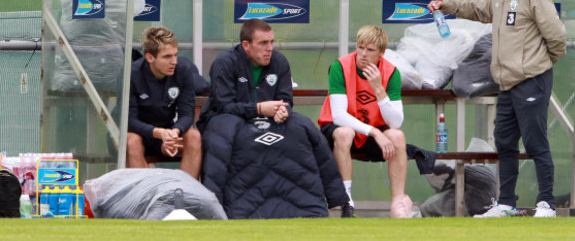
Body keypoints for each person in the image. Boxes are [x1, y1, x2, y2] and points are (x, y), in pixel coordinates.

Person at [427, 0, 567, 218]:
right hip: (506, 83)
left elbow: (557, 38)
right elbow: (477, 10)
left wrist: (538, 64)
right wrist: (447, 4)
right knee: (504, 143)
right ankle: (506, 204)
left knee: (536, 141)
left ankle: (547, 204)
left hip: (532, 80)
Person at [197, 19, 348, 219]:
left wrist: (282, 111)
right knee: (222, 135)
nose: (269, 48)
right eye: (263, 43)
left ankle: (337, 199)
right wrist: (258, 108)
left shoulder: (279, 61)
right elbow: (223, 105)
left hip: (271, 120)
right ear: (246, 45)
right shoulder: (224, 63)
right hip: (229, 118)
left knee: (305, 127)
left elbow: (286, 99)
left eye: (271, 42)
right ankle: (212, 205)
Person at [318, 25, 413, 218]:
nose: (363, 54)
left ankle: (398, 204)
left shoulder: (391, 72)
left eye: (370, 50)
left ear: (381, 53)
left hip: (371, 131)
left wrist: (379, 89)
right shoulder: (340, 66)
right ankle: (347, 202)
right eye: (360, 47)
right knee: (345, 133)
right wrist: (375, 132)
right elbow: (338, 115)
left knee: (397, 136)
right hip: (339, 131)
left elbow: (395, 122)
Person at [126, 26, 202, 179]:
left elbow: (186, 114)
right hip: (135, 132)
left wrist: (175, 132)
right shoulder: (131, 73)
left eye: (175, 55)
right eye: (167, 57)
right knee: (132, 141)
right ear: (150, 58)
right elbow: (129, 121)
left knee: (194, 136)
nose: (174, 61)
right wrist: (158, 133)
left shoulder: (183, 70)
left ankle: (184, 195)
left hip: (167, 132)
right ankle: (148, 198)